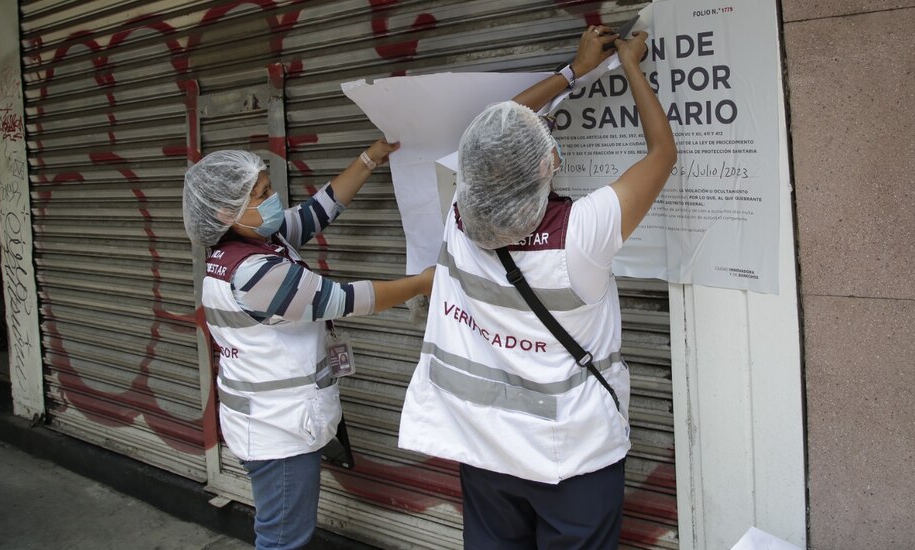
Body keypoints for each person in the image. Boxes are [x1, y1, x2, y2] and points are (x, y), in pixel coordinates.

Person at [397, 26, 676, 549]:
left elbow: (490, 133)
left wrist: (576, 70)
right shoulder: (579, 235)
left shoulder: (459, 217)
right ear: (550, 166)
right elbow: (661, 154)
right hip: (571, 459)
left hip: (485, 449)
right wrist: (631, 63)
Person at [181, 141, 433, 550]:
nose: (273, 198)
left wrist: (369, 160)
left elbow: (317, 211)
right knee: (283, 540)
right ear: (226, 213)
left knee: (283, 533)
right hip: (276, 430)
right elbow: (343, 300)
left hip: (271, 421)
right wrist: (423, 282)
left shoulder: (247, 245)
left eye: (267, 187)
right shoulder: (253, 272)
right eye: (261, 194)